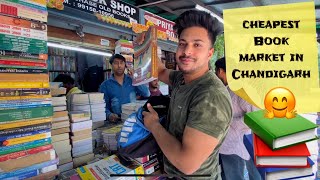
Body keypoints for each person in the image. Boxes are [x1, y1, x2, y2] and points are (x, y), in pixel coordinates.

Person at [142, 10, 232, 179]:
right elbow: (160, 71)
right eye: (182, 43)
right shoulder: (181, 79)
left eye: (197, 45)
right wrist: (147, 43)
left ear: (210, 53)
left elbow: (187, 163)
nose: (187, 52)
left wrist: (154, 125)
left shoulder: (210, 96)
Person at [215, 57, 261, 180]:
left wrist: (229, 123)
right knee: (228, 175)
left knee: (248, 175)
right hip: (228, 144)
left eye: (216, 71)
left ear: (220, 71)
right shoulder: (227, 89)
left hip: (241, 143)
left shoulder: (241, 90)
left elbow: (255, 117)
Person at [99, 54, 150, 122]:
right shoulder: (105, 85)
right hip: (117, 121)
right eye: (116, 63)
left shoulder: (132, 80)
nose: (119, 66)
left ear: (125, 65)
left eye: (121, 63)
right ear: (111, 65)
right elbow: (103, 106)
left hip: (134, 119)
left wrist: (135, 78)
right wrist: (109, 115)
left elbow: (147, 93)